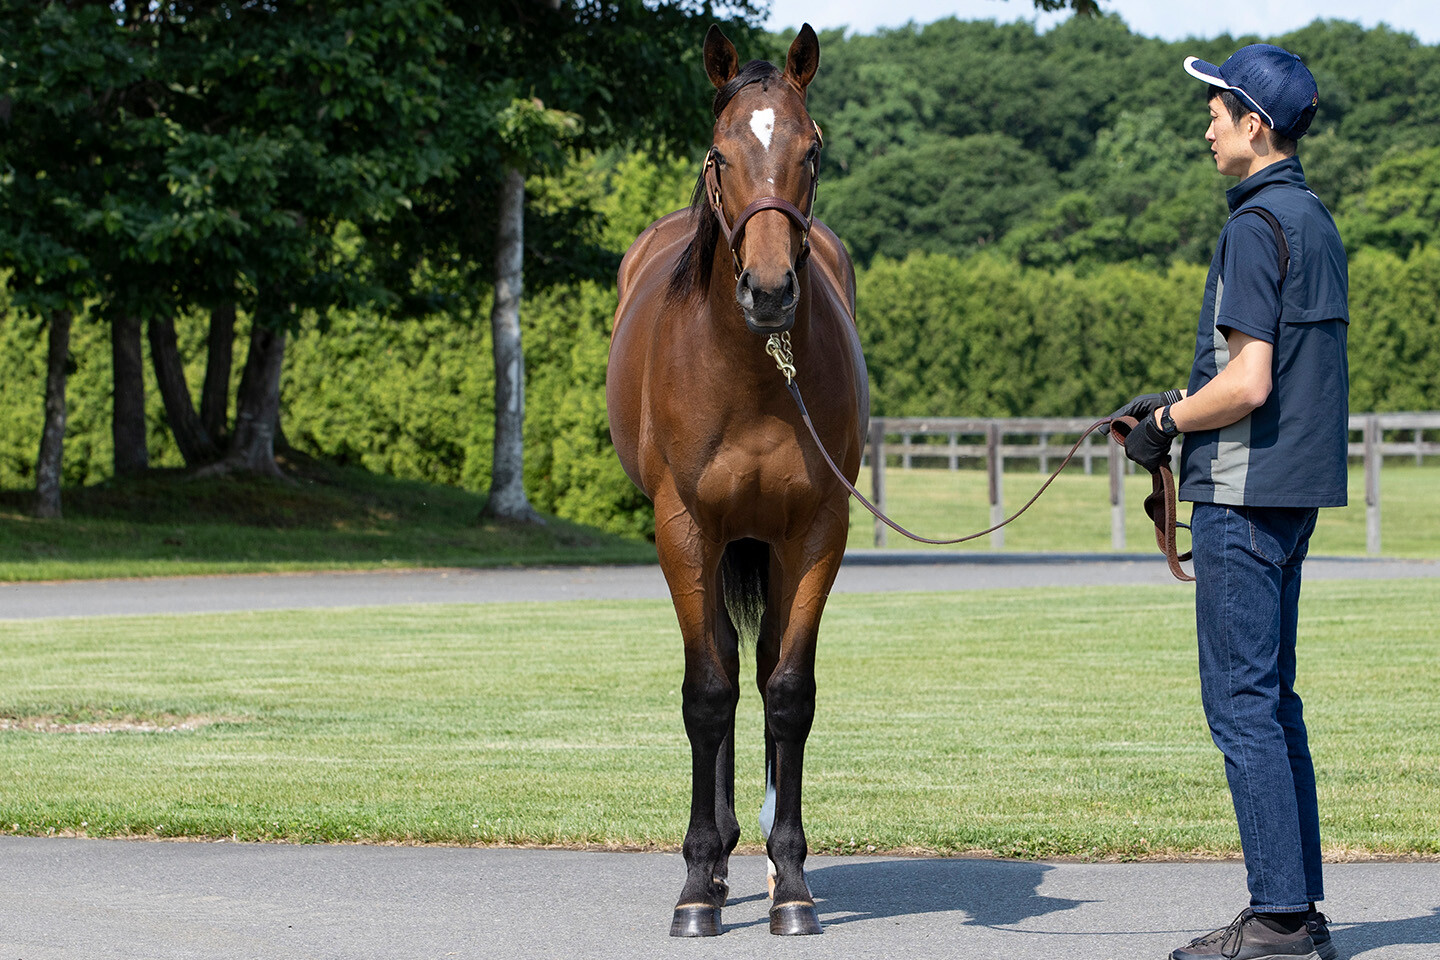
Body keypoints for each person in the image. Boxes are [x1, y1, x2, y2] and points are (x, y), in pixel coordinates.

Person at [1109, 44, 1349, 960]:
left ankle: (1281, 921)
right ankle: (1298, 907)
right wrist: (1175, 404)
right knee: (1274, 704)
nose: (1205, 125)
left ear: (1257, 126)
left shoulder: (1254, 226)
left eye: (1217, 111)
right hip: (1290, 496)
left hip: (1244, 499)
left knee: (1242, 707)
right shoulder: (1312, 219)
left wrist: (1166, 420)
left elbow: (1246, 382)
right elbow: (1275, 374)